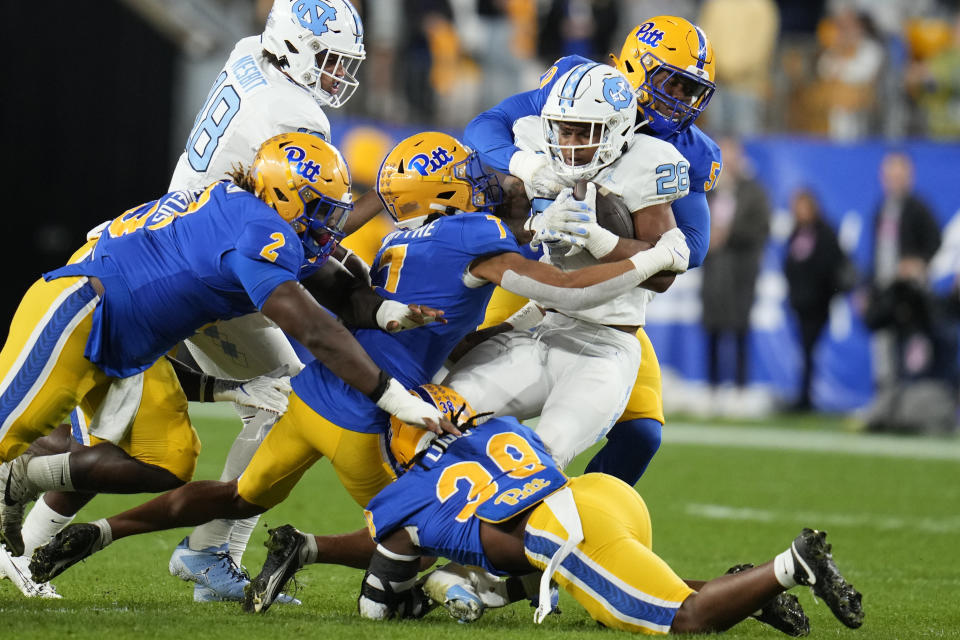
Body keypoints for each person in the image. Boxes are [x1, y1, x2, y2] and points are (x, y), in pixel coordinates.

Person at [26, 131, 691, 589]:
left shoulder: (399, 240)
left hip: (307, 400)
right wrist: (657, 257)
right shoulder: (472, 235)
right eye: (463, 176)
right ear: (444, 193)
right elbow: (565, 288)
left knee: (237, 494)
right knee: (432, 530)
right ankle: (592, 575)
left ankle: (105, 532)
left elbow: (359, 301)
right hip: (361, 415)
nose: (477, 182)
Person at [5, 0, 392, 602]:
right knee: (284, 397)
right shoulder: (294, 116)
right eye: (329, 58)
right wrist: (383, 213)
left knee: (129, 428)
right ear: (291, 45)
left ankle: (28, 547)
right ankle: (210, 553)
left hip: (171, 237)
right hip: (214, 262)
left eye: (345, 61)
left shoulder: (248, 55)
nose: (338, 73)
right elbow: (304, 227)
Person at [0, 132, 453, 589]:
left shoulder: (260, 215)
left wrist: (387, 312)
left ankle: (22, 477)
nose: (327, 227)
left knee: (168, 459)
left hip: (131, 344)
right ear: (283, 196)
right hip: (82, 309)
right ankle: (14, 471)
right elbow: (315, 330)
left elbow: (340, 291)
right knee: (3, 437)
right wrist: (392, 396)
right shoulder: (259, 228)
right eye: (318, 211)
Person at [239, 384, 864, 635]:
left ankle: (791, 565)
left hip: (560, 531)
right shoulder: (500, 427)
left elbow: (377, 606)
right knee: (590, 590)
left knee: (683, 623)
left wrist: (408, 595)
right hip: (601, 493)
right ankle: (748, 590)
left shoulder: (402, 496)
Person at [461, 15, 722, 488]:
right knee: (459, 397)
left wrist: (600, 233)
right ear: (634, 67)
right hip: (531, 272)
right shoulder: (576, 85)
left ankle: (565, 531)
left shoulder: (684, 150)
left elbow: (692, 248)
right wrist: (533, 173)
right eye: (673, 82)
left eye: (690, 90)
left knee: (640, 433)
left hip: (604, 303)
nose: (681, 100)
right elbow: (484, 128)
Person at [699, 136, 771, 414]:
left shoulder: (754, 191)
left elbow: (760, 228)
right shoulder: (710, 191)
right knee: (712, 330)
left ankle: (740, 389)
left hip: (741, 272)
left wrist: (727, 235)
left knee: (740, 330)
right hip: (714, 272)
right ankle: (713, 388)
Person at [783, 188, 852, 411]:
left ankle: (806, 397)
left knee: (809, 349)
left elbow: (832, 266)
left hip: (817, 304)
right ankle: (803, 395)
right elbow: (789, 264)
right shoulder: (796, 232)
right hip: (799, 303)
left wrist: (823, 293)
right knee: (804, 350)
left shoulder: (825, 233)